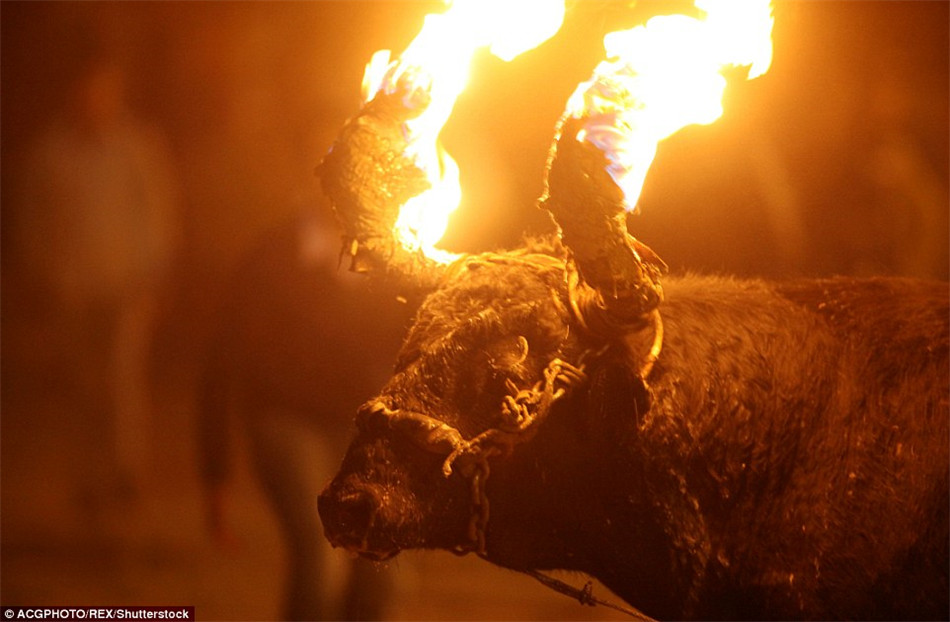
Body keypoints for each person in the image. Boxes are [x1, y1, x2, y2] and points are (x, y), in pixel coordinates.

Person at [198, 213, 411, 621]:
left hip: (357, 427)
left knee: (379, 569)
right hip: (285, 421)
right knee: (321, 554)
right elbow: (223, 357)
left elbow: (401, 345)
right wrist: (215, 473)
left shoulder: (387, 250)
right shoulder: (273, 255)